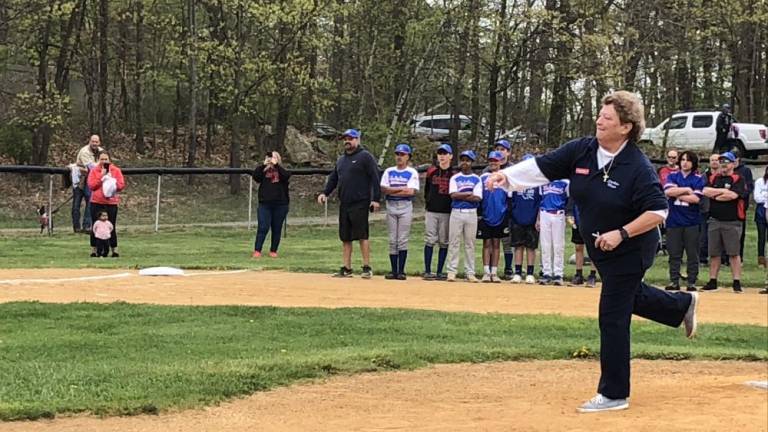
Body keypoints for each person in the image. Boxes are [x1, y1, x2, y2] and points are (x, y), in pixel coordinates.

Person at [485, 90, 698, 413]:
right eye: (600, 114)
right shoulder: (582, 150)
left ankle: (614, 393)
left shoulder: (637, 166)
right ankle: (681, 305)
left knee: (612, 314)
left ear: (626, 127)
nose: (599, 120)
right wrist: (506, 176)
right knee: (627, 296)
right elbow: (542, 167)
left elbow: (658, 212)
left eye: (608, 117)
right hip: (601, 248)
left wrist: (622, 233)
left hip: (632, 247)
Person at [317, 129, 381, 278]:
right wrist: (324, 193)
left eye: (351, 138)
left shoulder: (365, 157)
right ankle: (346, 268)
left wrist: (376, 199)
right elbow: (334, 179)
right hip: (345, 202)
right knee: (345, 236)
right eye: (345, 138)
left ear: (358, 140)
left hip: (360, 201)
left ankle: (366, 267)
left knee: (362, 235)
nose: (347, 141)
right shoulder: (341, 160)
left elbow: (375, 178)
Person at [701, 151, 746, 293]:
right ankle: (713, 280)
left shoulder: (738, 178)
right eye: (721, 162)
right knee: (714, 253)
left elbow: (733, 195)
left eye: (726, 162)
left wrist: (717, 194)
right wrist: (721, 193)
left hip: (732, 221)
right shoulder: (714, 177)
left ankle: (736, 281)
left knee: (733, 253)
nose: (723, 165)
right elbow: (705, 191)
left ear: (733, 164)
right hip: (714, 220)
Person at [663, 151, 705, 291]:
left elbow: (696, 199)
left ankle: (691, 281)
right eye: (682, 160)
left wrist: (678, 194)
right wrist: (687, 190)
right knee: (674, 254)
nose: (684, 162)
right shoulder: (673, 175)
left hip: (691, 222)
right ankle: (674, 281)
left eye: (688, 160)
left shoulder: (698, 178)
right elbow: (668, 192)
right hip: (674, 221)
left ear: (693, 163)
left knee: (692, 254)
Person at [380, 144, 420, 280]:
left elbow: (410, 191)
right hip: (391, 205)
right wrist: (401, 189)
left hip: (405, 206)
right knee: (392, 239)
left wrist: (393, 189)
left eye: (402, 154)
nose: (399, 157)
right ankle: (393, 270)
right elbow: (384, 189)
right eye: (397, 154)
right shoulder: (389, 171)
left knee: (402, 239)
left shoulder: (412, 172)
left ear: (408, 157)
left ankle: (401, 271)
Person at [445, 150, 482, 282]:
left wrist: (462, 194)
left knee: (470, 243)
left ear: (472, 162)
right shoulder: (455, 178)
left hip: (471, 213)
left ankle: (470, 272)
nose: (464, 163)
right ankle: (451, 271)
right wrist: (468, 194)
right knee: (454, 242)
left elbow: (477, 198)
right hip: (456, 211)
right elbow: (453, 195)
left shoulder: (476, 179)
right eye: (463, 160)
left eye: (467, 160)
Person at [422, 143, 457, 280]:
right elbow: (427, 190)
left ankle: (439, 271)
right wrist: (428, 202)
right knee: (430, 239)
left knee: (444, 241)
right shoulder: (432, 171)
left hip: (447, 211)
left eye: (445, 154)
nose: (442, 156)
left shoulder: (454, 174)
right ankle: (427, 270)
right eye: (440, 154)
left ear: (450, 156)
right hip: (432, 210)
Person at [484, 139, 515, 279]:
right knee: (490, 241)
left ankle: (508, 268)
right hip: (491, 211)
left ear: (508, 152)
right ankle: (489, 270)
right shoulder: (487, 171)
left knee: (507, 241)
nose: (500, 151)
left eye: (503, 149)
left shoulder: (512, 169)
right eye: (498, 148)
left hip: (507, 210)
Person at [478, 151, 510, 282]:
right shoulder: (483, 177)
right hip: (486, 214)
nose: (493, 163)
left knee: (497, 244)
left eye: (496, 161)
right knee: (486, 243)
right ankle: (486, 271)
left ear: (501, 162)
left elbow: (509, 198)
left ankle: (494, 272)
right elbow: (479, 196)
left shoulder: (505, 178)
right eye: (491, 160)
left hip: (500, 215)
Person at [509, 154, 541, 284]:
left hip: (532, 218)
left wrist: (538, 219)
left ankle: (529, 273)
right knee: (518, 246)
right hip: (518, 217)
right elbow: (511, 201)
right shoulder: (517, 182)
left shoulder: (538, 183)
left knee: (531, 247)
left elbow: (540, 202)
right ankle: (517, 273)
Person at [252, 151, 291, 258]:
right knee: (263, 227)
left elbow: (286, 176)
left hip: (280, 205)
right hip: (265, 204)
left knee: (277, 228)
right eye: (269, 157)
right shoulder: (263, 171)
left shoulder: (282, 171)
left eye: (273, 157)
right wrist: (264, 165)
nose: (271, 159)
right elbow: (256, 177)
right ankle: (257, 250)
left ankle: (273, 250)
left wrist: (276, 165)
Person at [87, 150, 125, 257]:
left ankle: (114, 249)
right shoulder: (94, 171)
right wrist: (101, 177)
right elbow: (91, 186)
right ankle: (94, 250)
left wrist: (112, 181)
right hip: (97, 202)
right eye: (102, 159)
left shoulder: (116, 170)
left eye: (106, 159)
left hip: (111, 203)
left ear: (109, 159)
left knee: (111, 225)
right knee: (96, 225)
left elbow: (121, 185)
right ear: (98, 160)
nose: (104, 161)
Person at [538, 178, 569, 285]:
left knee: (558, 245)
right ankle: (546, 272)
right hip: (544, 213)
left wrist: (568, 215)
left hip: (559, 214)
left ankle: (558, 273)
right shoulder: (543, 181)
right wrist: (538, 219)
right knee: (545, 245)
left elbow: (569, 200)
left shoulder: (565, 182)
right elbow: (540, 200)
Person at [72, 135, 104, 233]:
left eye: (96, 142)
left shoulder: (101, 151)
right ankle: (76, 227)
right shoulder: (84, 151)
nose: (94, 143)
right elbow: (91, 167)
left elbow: (105, 163)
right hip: (80, 178)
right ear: (89, 141)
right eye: (93, 141)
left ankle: (87, 226)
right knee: (77, 203)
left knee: (90, 201)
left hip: (91, 179)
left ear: (99, 142)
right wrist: (100, 166)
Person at [731, 149, 753, 259]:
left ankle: (740, 256)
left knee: (740, 232)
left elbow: (749, 187)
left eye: (733, 159)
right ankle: (726, 257)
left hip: (740, 205)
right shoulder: (726, 170)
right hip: (726, 205)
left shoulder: (745, 171)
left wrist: (739, 194)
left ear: (738, 159)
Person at [568, 205, 597, 288]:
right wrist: (569, 214)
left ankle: (592, 276)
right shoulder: (577, 191)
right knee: (578, 247)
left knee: (593, 248)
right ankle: (578, 275)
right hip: (578, 221)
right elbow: (571, 201)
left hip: (593, 222)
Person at [698, 154, 720, 265]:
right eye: (712, 160)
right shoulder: (704, 176)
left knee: (719, 236)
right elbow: (700, 191)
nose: (714, 162)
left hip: (720, 209)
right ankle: (702, 258)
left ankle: (722, 259)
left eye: (717, 160)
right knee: (703, 236)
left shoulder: (724, 176)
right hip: (705, 209)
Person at [753, 167, 768, 268]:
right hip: (761, 212)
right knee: (761, 237)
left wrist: (764, 195)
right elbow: (757, 198)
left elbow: (761, 196)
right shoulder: (760, 181)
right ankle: (761, 259)